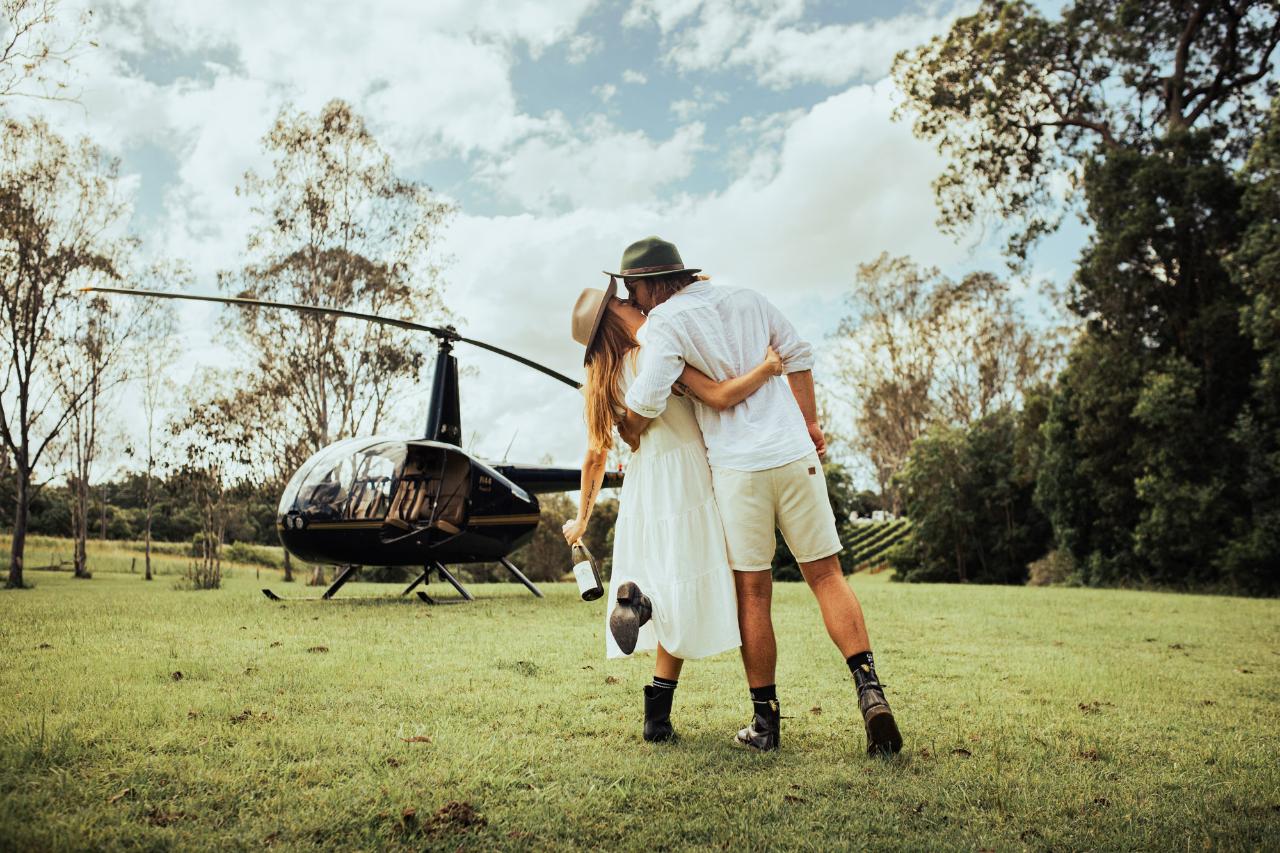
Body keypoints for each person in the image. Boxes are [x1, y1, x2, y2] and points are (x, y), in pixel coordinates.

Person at [612, 235, 903, 757]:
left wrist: (627, 426)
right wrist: (810, 422)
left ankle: (765, 724)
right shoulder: (747, 297)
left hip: (738, 469)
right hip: (793, 454)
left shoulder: (665, 324)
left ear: (651, 287)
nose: (635, 302)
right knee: (827, 576)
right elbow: (799, 354)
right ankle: (870, 691)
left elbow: (648, 399)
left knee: (754, 594)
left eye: (635, 291)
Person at [563, 281, 783, 743]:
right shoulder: (658, 355)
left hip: (644, 485)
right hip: (687, 475)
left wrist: (581, 519)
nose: (631, 302)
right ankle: (647, 618)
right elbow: (721, 395)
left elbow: (595, 456)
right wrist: (767, 368)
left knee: (669, 582)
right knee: (696, 581)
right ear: (610, 318)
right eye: (620, 302)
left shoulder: (600, 381)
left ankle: (656, 717)